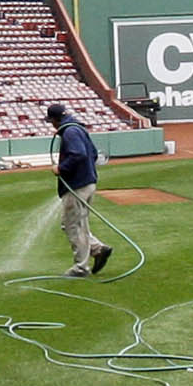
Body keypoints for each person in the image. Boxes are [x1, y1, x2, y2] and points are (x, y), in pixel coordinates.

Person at [45, 103, 112, 277]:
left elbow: (79, 154)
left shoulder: (70, 132)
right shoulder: (78, 129)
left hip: (77, 186)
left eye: (51, 121)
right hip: (88, 182)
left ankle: (81, 268)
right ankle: (98, 249)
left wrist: (61, 168)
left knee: (73, 226)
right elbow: (93, 154)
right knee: (76, 224)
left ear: (55, 120)